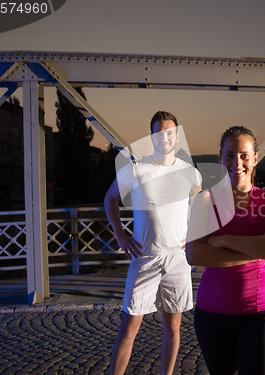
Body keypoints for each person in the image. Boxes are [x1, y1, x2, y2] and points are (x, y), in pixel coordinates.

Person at [186, 126, 265, 375]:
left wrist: (221, 240)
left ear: (255, 158)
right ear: (220, 159)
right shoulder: (204, 200)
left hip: (259, 312)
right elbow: (195, 255)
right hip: (211, 315)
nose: (237, 162)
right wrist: (260, 247)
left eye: (244, 155)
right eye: (230, 155)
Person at [104, 111, 202, 375]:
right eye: (159, 132)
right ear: (152, 137)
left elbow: (200, 209)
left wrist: (193, 234)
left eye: (169, 132)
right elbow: (109, 199)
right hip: (144, 257)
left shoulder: (190, 173)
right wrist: (120, 233)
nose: (165, 137)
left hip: (177, 260)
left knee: (173, 327)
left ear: (177, 136)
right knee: (129, 328)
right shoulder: (134, 170)